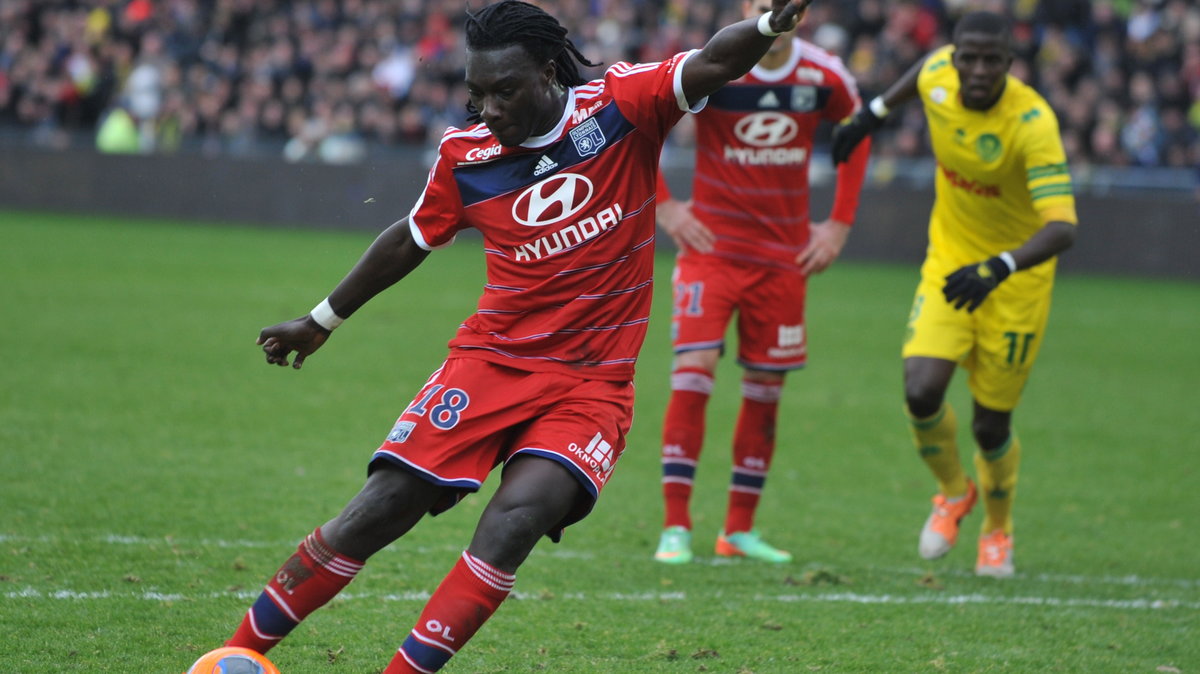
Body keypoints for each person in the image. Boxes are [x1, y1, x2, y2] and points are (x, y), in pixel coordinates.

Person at [217, 1, 813, 671]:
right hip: (490, 364)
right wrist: (320, 320)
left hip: (593, 386)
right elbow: (410, 239)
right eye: (476, 93)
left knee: (514, 521)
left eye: (504, 91)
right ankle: (235, 654)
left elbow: (711, 62)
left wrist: (767, 27)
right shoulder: (465, 157)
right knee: (383, 506)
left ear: (549, 71)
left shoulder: (622, 106)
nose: (488, 109)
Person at [830, 10, 1078, 578]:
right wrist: (870, 115)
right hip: (951, 263)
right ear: (957, 55)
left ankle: (998, 528)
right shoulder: (939, 72)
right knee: (921, 391)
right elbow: (922, 72)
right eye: (969, 57)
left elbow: (1063, 226)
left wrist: (1001, 266)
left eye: (992, 60)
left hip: (1015, 282)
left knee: (990, 425)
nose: (978, 70)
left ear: (1010, 66)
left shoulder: (1032, 123)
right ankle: (952, 493)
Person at [651, 1, 870, 565]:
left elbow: (859, 131)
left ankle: (737, 531)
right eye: (759, 1)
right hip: (712, 253)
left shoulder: (824, 74)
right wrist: (669, 209)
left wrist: (839, 225)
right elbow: (636, 121)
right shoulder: (714, 65)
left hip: (784, 260)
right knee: (694, 372)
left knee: (766, 390)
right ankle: (676, 526)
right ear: (746, 9)